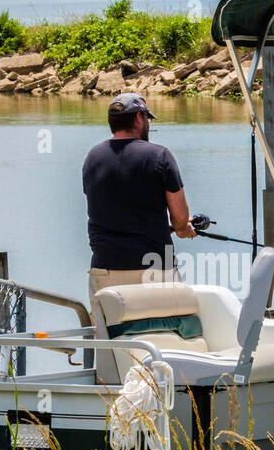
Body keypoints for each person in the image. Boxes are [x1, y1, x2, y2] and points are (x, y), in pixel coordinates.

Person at [82, 92, 196, 299]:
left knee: (109, 330)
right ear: (137, 118)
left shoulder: (93, 157)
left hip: (105, 268)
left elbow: (111, 209)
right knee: (173, 327)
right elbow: (179, 218)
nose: (148, 124)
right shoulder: (160, 155)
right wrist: (181, 228)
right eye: (147, 118)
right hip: (156, 267)